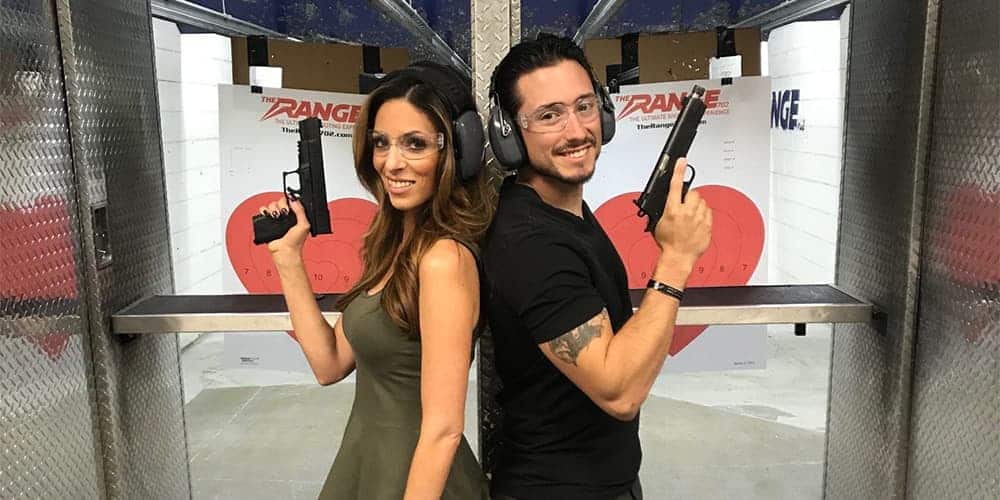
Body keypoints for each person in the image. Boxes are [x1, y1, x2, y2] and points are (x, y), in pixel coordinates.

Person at [481, 34, 713, 500]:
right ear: (509, 133)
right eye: (549, 115)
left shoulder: (562, 212)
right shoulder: (530, 242)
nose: (575, 131)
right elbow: (618, 391)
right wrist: (677, 258)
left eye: (584, 107)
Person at [260, 61, 494, 500]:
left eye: (415, 144)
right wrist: (288, 258)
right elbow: (329, 364)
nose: (392, 162)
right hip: (368, 463)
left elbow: (444, 428)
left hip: (420, 482)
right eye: (382, 143)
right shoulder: (392, 246)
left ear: (456, 153)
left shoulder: (443, 259)